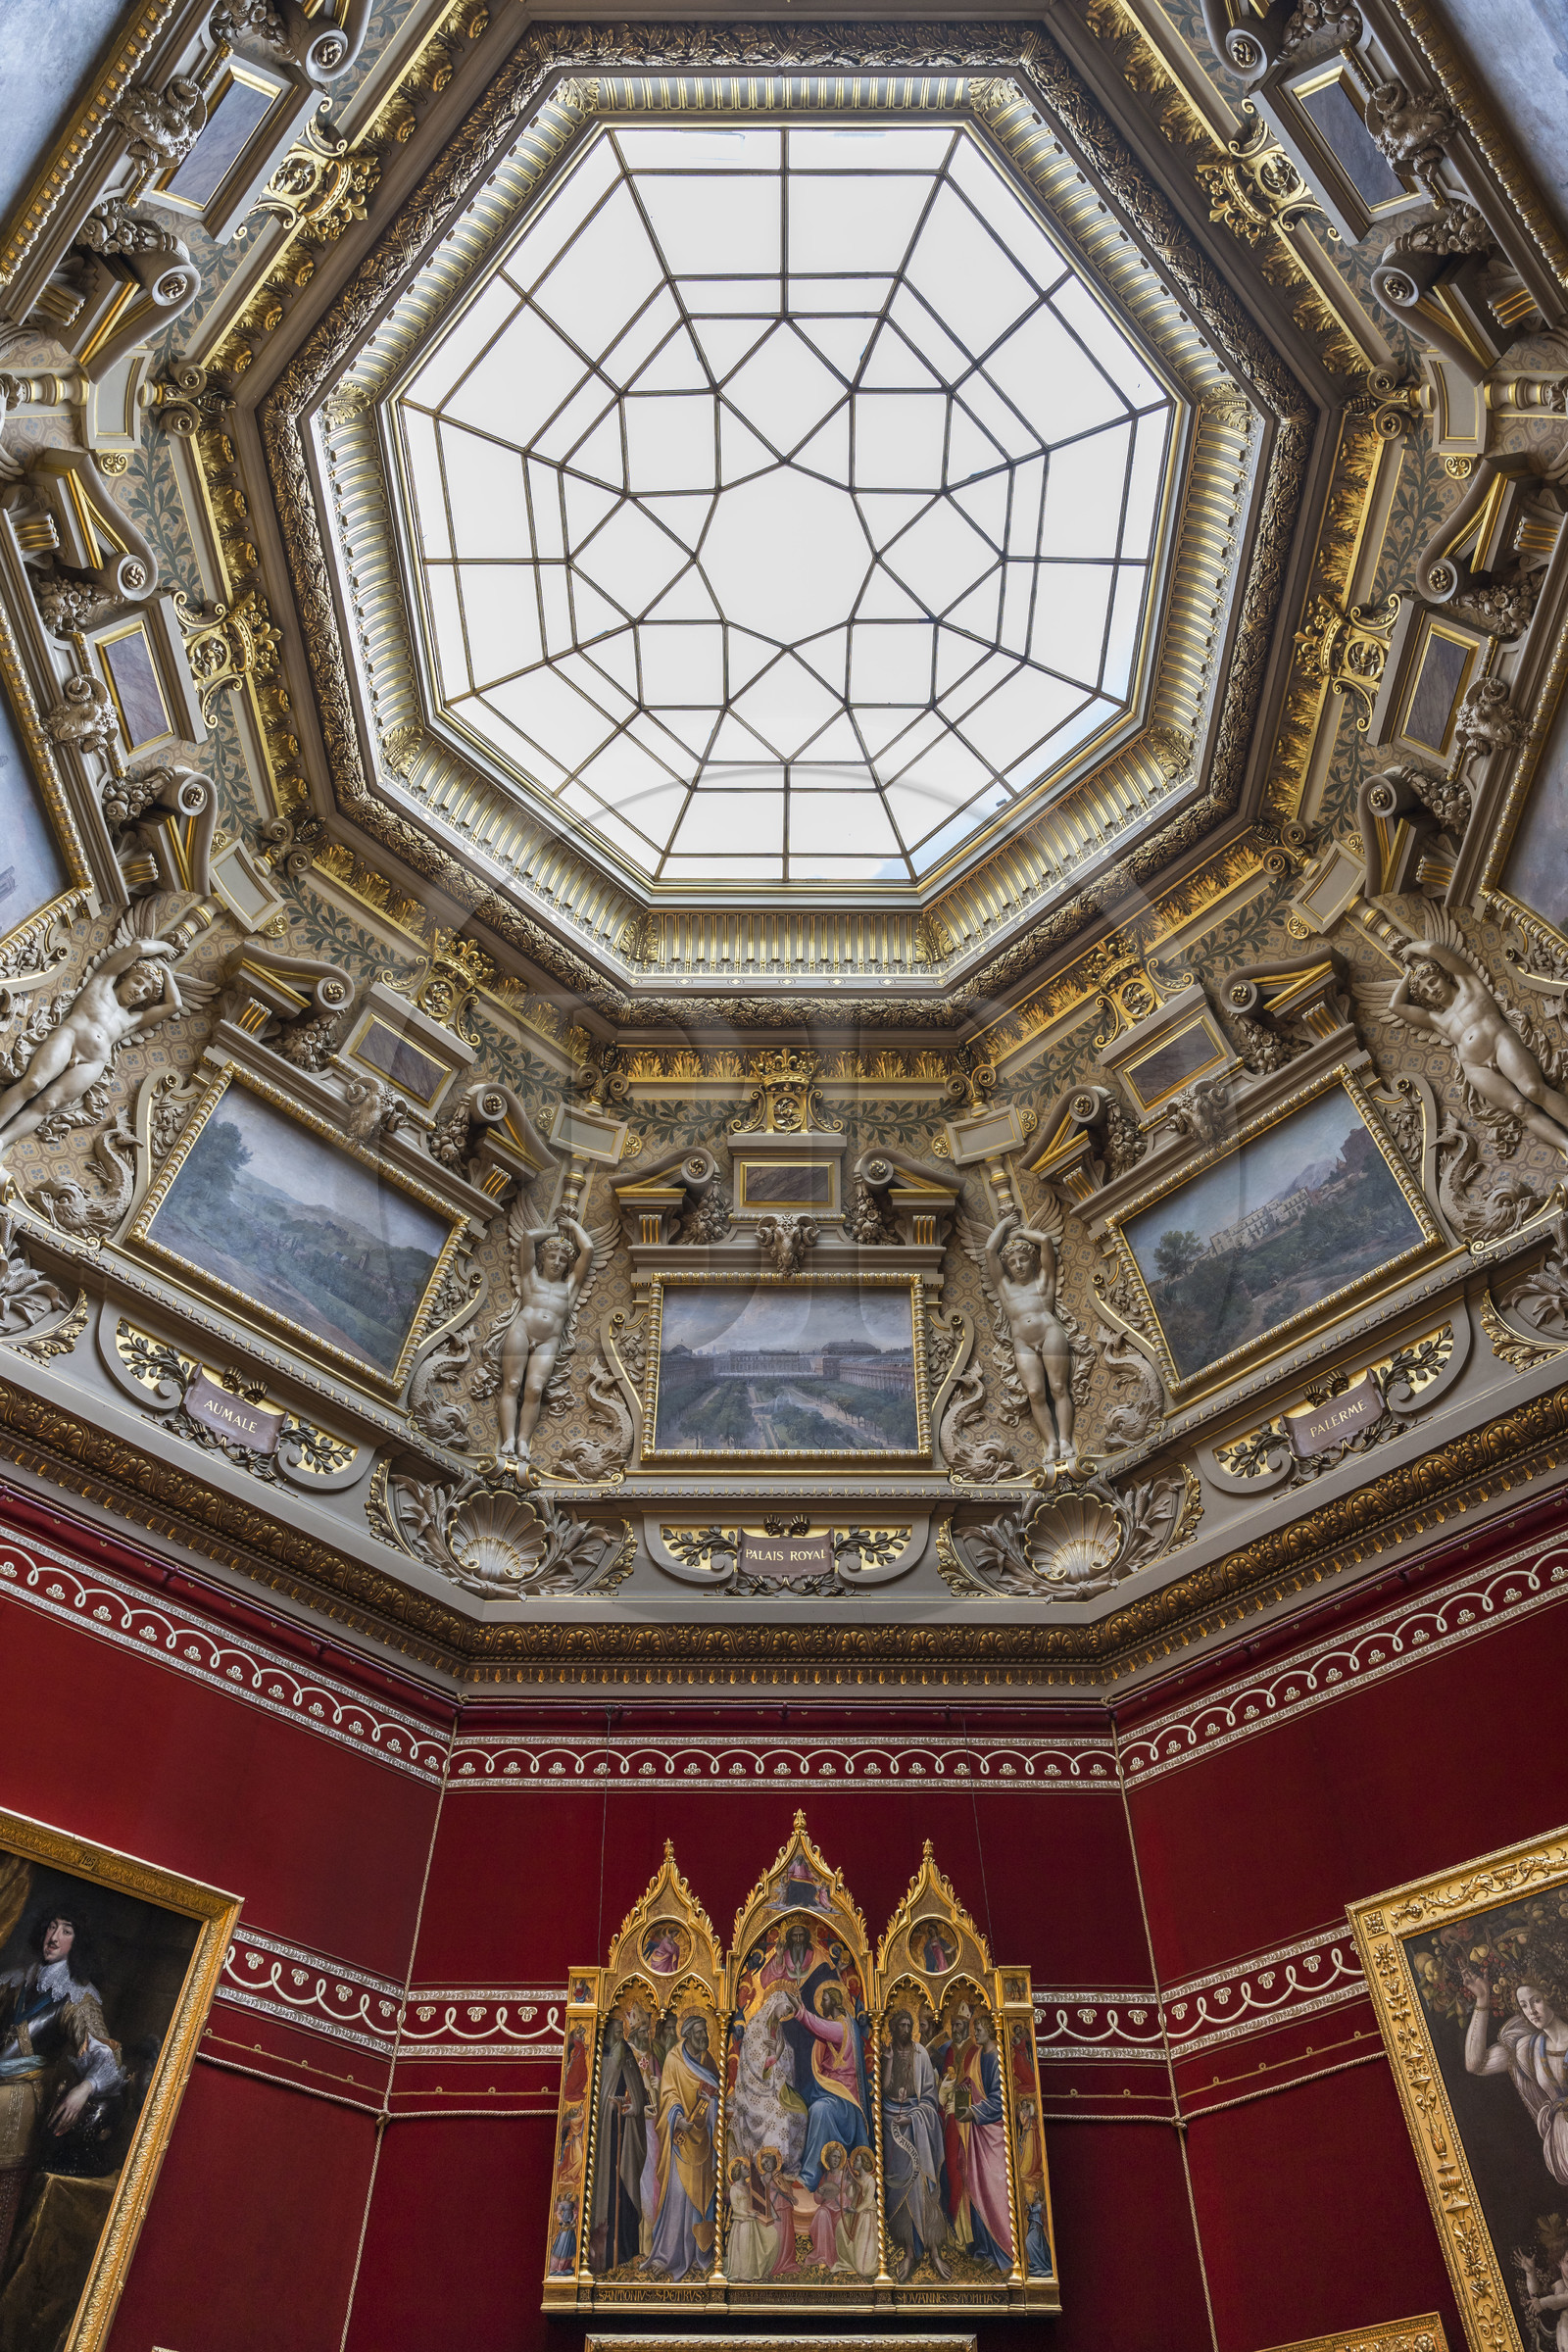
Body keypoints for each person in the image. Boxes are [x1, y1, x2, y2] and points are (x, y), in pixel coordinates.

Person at [0, 1907, 122, 2273]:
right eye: (52, 1926)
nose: (54, 1937)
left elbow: (108, 2058)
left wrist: (85, 2086)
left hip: (19, 2103)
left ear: (77, 1942)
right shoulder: (21, 1980)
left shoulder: (77, 1998)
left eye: (66, 1930)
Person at [0, 939, 190, 1160]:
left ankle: (2, 1142)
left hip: (93, 1063)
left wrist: (166, 971)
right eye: (138, 982)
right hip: (70, 1037)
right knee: (32, 1084)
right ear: (126, 976)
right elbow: (137, 949)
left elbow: (174, 1005)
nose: (139, 991)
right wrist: (164, 948)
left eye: (146, 992)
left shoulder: (132, 1019)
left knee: (47, 1104)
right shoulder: (102, 983)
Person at [1389, 939, 1568, 1158]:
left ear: (1444, 976)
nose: (1431, 991)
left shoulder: (1468, 984)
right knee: (1521, 1108)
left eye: (1433, 982)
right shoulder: (1436, 1019)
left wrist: (1411, 949)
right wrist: (1409, 974)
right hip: (1474, 1066)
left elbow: (1436, 950)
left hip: (1499, 1041)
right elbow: (1395, 1006)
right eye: (1425, 992)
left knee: (1534, 1090)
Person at [492, 1218, 595, 1461]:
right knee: (513, 1385)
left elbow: (588, 1250)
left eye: (562, 1259)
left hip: (549, 1340)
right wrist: (555, 1232)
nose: (557, 1262)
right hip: (522, 1329)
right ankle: (508, 1438)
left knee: (535, 1389)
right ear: (543, 1258)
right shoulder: (531, 1278)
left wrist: (573, 1226)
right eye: (551, 1256)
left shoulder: (570, 1286)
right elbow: (528, 1237)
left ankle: (522, 1442)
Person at [984, 1211, 1077, 1465]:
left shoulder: (1043, 1280)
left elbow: (1045, 1241)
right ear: (1007, 1267)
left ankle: (1066, 1439)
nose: (1019, 1265)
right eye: (1013, 1262)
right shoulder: (1004, 1287)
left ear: (1032, 1260)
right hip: (1022, 1342)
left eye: (1023, 1259)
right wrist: (1003, 1223)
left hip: (1049, 1333)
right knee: (1035, 1392)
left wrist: (1019, 1233)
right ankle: (1051, 1444)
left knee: (1058, 1388)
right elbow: (990, 1250)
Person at [1461, 1966, 1568, 2183]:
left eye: (1536, 2000)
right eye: (1524, 2005)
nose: (1531, 2010)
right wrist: (1482, 2000)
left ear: (1551, 1996)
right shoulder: (1528, 2049)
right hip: (1563, 2147)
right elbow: (1475, 2064)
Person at [643, 2012, 718, 2280]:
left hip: (705, 2142)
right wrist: (678, 2119)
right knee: (677, 2195)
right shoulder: (674, 2059)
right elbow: (668, 2095)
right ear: (687, 2034)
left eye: (705, 2031)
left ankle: (701, 2255)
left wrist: (712, 2107)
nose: (703, 2036)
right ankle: (669, 2255)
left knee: (702, 2201)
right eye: (698, 2032)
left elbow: (717, 2095)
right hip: (681, 2141)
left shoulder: (708, 2060)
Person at [881, 2006, 951, 2282]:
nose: (907, 2030)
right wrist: (887, 2061)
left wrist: (914, 2118)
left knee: (923, 2187)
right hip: (890, 2120)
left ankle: (934, 2251)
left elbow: (930, 2100)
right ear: (893, 2028)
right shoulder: (886, 2052)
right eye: (902, 2025)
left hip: (916, 2122)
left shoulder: (921, 2053)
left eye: (910, 2025)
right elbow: (883, 2089)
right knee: (900, 2186)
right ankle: (909, 2251)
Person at [947, 2010, 1015, 2271]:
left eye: (979, 2029)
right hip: (977, 2132)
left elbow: (1001, 2101)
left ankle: (1004, 2254)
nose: (976, 2033)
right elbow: (970, 2085)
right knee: (975, 2185)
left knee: (994, 2190)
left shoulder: (998, 2056)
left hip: (993, 2133)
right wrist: (962, 2091)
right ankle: (985, 2248)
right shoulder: (977, 2055)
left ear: (990, 2028)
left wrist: (973, 2110)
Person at [786, 1981, 871, 2185]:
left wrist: (801, 2012)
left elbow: (818, 2027)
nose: (821, 2004)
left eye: (824, 2000)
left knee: (819, 2110)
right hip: (831, 2092)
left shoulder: (842, 2027)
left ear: (833, 2002)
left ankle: (810, 2176)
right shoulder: (841, 2025)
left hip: (844, 2100)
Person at [589, 2014, 648, 2274]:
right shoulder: (596, 2049)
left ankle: (622, 2251)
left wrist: (629, 2108)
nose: (616, 2032)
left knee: (619, 2185)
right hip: (599, 2129)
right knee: (600, 2181)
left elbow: (636, 2089)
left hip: (617, 2130)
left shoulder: (623, 2050)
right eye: (612, 2028)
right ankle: (598, 2256)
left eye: (618, 2028)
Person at [724, 2159, 772, 2281]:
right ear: (739, 2172)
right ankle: (743, 2274)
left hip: (751, 2221)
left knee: (751, 2249)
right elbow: (736, 2209)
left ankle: (751, 2273)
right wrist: (749, 2215)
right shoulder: (734, 2189)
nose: (747, 2170)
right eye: (745, 2168)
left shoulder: (746, 2187)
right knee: (744, 2249)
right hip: (742, 2223)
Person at [835, 2144, 878, 2278]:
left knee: (863, 2266)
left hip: (865, 2216)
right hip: (854, 2214)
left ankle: (862, 2263)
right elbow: (849, 2194)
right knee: (840, 2227)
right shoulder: (857, 2179)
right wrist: (850, 2182)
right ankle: (848, 2260)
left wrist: (856, 2210)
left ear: (863, 2163)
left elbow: (868, 2200)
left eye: (857, 2160)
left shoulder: (870, 2180)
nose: (854, 2163)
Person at [757, 2146, 801, 2277]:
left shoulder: (779, 2175)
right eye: (764, 2163)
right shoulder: (764, 2178)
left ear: (775, 2162)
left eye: (768, 2161)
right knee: (777, 2234)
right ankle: (774, 2263)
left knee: (787, 2235)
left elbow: (787, 2189)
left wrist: (791, 2196)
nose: (766, 2165)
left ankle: (787, 2262)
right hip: (773, 2207)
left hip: (784, 2205)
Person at [808, 2142, 846, 2267]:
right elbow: (818, 2200)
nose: (835, 2159)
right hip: (828, 2211)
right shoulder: (825, 2176)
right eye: (833, 2156)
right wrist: (819, 2192)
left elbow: (850, 2196)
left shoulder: (844, 2176)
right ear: (828, 2158)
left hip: (841, 2210)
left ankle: (838, 2257)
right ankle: (822, 2256)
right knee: (821, 2213)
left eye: (838, 2157)